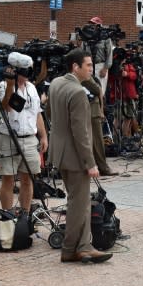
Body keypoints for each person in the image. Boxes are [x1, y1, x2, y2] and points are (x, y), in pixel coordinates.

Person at [47, 48, 112, 263]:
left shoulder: (56, 83)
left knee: (80, 202)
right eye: (89, 65)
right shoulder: (77, 92)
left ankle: (84, 246)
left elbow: (50, 114)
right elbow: (81, 133)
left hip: (60, 152)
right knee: (79, 203)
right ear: (76, 67)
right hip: (75, 156)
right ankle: (71, 248)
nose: (92, 69)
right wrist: (90, 162)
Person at [0, 63, 48, 212]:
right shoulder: (3, 85)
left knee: (28, 179)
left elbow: (37, 113)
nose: (28, 72)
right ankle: (7, 217)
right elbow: (6, 107)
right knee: (8, 179)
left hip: (30, 139)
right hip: (8, 138)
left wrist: (43, 136)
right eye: (24, 69)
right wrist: (11, 86)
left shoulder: (31, 88)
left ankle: (25, 217)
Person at [81, 76, 119, 176]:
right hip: (80, 110)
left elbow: (99, 92)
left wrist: (101, 110)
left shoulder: (89, 78)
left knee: (97, 141)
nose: (89, 68)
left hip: (93, 110)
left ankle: (103, 167)